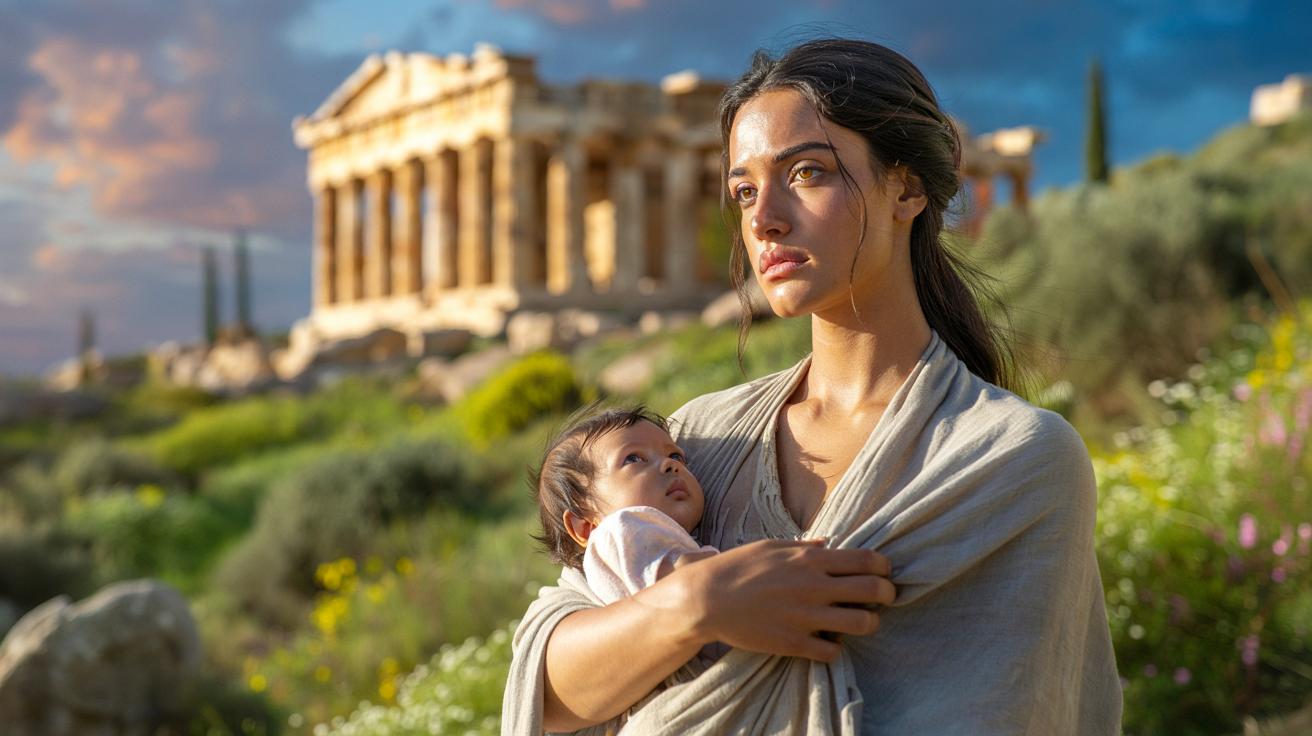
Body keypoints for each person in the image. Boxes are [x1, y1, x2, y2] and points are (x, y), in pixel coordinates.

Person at [503, 37, 1121, 735]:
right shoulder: (698, 440)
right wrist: (694, 603)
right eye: (743, 190)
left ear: (907, 188)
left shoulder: (1013, 459)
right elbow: (545, 693)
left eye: (807, 173)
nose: (764, 217)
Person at [531, 405, 719, 605]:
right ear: (586, 526)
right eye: (633, 458)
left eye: (675, 456)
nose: (670, 465)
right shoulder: (622, 530)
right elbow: (698, 582)